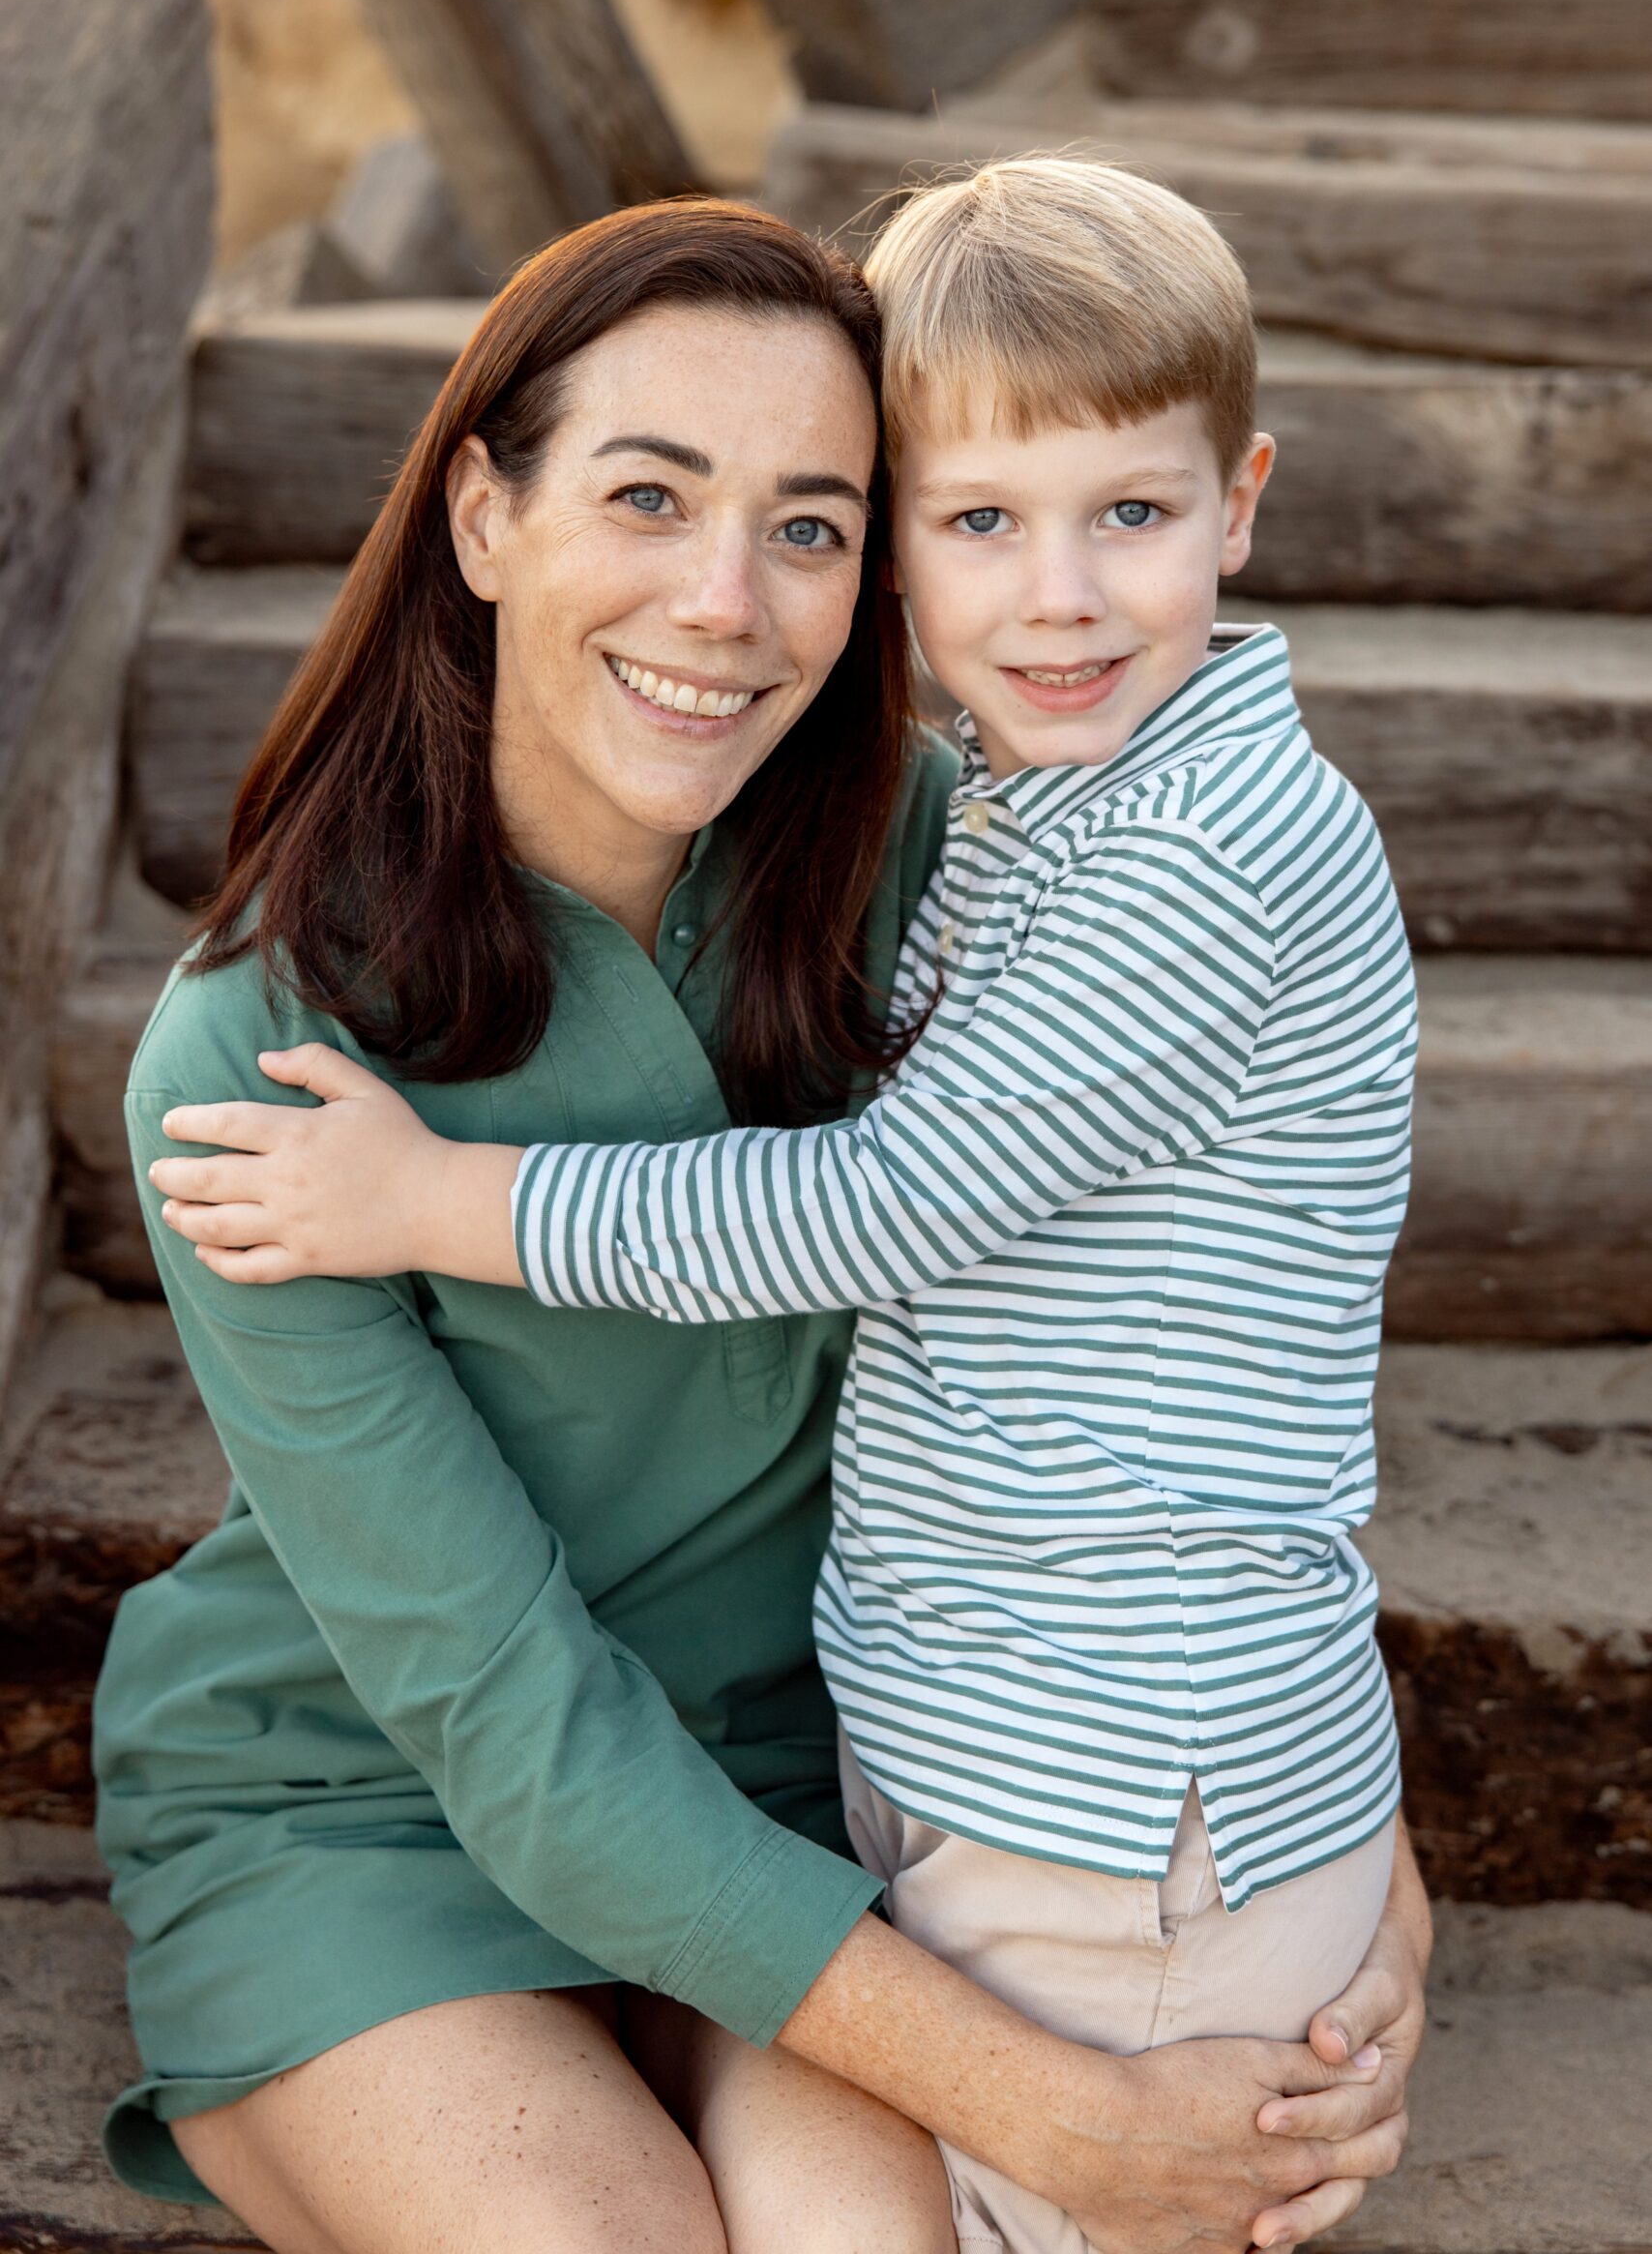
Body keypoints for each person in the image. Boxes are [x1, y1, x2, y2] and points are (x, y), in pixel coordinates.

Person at [126, 193, 1429, 2254]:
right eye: (649, 495)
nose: (726, 600)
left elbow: (1201, 1318)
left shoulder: (957, 853)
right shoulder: (258, 1060)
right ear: (482, 513)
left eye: (812, 522)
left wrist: (1345, 1860)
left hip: (833, 1781)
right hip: (386, 1795)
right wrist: (1073, 2116)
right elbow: (512, 1723)